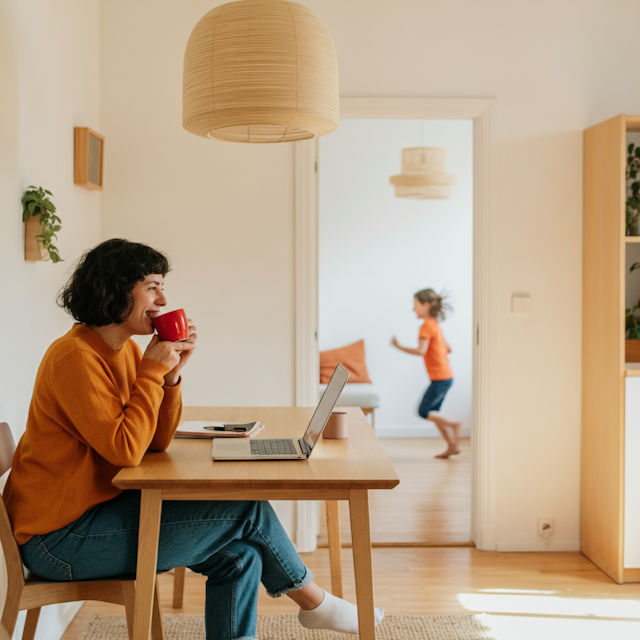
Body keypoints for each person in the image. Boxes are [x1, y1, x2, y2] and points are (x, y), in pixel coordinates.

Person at [3, 238, 383, 640]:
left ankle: (303, 611)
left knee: (240, 557)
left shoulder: (125, 353)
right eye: (152, 286)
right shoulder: (74, 359)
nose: (162, 299)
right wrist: (151, 374)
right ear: (115, 288)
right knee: (246, 509)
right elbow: (126, 449)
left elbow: (155, 442)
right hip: (59, 541)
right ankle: (317, 604)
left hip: (94, 515)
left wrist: (168, 379)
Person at [391, 288, 462, 459]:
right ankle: (452, 446)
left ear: (426, 305)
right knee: (435, 413)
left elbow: (421, 351)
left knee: (424, 411)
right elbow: (449, 349)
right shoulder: (435, 325)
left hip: (440, 378)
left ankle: (455, 424)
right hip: (446, 376)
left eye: (415, 305)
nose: (413, 309)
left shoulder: (425, 326)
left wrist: (399, 346)